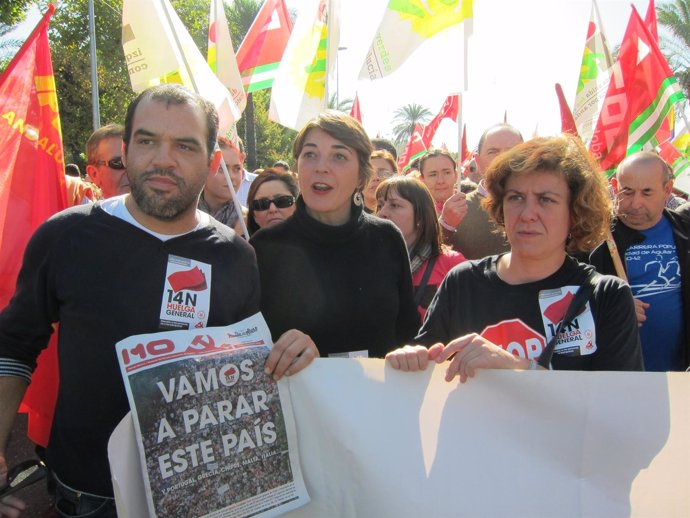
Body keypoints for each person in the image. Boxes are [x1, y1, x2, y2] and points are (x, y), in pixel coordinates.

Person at [0, 84, 266, 517]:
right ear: (126, 149)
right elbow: (12, 347)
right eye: (147, 141)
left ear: (212, 160)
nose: (164, 159)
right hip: (88, 494)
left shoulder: (235, 257)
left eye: (184, 145)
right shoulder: (65, 236)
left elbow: (243, 373)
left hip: (198, 493)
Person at [386, 136, 643, 381]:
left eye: (546, 200)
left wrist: (518, 368)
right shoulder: (462, 282)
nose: (528, 214)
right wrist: (412, 359)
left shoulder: (606, 296)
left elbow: (618, 406)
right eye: (516, 198)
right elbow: (427, 369)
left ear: (575, 211)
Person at [250, 110, 419, 363]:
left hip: (377, 399)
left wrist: (410, 354)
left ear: (362, 175)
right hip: (297, 401)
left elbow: (408, 335)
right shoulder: (264, 248)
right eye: (310, 154)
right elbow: (247, 354)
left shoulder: (387, 238)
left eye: (339, 156)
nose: (321, 167)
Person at [590, 151, 690, 371]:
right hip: (621, 376)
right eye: (627, 191)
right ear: (615, 186)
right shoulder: (595, 241)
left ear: (667, 189)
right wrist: (612, 306)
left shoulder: (685, 229)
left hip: (681, 377)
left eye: (646, 192)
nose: (635, 204)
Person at [376, 176, 466, 320]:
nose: (382, 213)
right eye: (380, 205)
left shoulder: (451, 264)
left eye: (394, 205)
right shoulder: (369, 261)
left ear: (420, 216)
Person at [449, 123, 523, 259]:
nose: (502, 158)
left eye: (511, 151)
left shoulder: (543, 205)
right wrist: (445, 226)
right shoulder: (457, 209)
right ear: (477, 160)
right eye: (493, 152)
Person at [417, 150, 468, 245]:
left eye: (447, 173)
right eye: (433, 175)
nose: (440, 181)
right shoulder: (414, 213)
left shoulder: (472, 204)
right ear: (422, 179)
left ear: (456, 175)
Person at [197, 136, 245, 235]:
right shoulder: (183, 216)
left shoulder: (250, 220)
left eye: (237, 169)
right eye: (221, 169)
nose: (231, 176)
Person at [246, 168, 299, 234]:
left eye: (282, 201)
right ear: (253, 215)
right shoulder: (243, 243)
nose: (272, 209)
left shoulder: (314, 241)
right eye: (262, 204)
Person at [85, 123, 130, 199]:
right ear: (94, 174)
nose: (131, 170)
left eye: (135, 162)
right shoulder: (82, 211)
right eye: (119, 162)